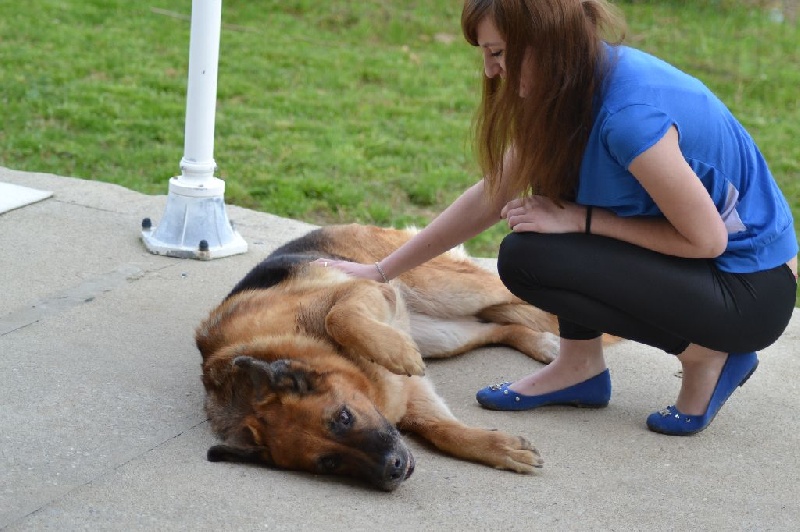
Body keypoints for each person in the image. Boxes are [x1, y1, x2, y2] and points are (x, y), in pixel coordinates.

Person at [317, 0, 798, 436]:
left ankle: (707, 356)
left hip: (748, 288)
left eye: (499, 53)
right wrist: (381, 271)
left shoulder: (629, 117)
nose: (490, 71)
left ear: (546, 43)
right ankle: (579, 368)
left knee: (538, 250)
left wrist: (582, 220)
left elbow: (707, 240)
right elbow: (493, 194)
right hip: (700, 267)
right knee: (534, 241)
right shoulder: (569, 87)